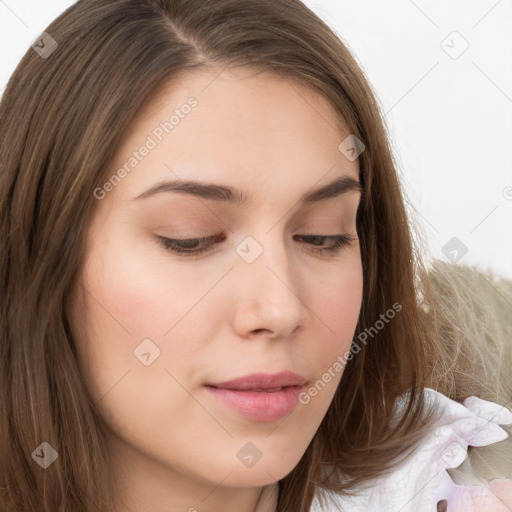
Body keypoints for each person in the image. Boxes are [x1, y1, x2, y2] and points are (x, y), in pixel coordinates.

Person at [0, 1, 510, 511]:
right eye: (190, 238)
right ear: (41, 254)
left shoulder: (462, 488)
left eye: (321, 236)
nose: (281, 309)